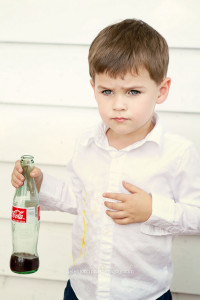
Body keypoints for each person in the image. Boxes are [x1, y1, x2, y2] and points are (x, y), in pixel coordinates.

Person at [11, 19, 200, 300]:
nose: (118, 104)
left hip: (143, 294)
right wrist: (38, 183)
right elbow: (81, 200)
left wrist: (152, 209)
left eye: (133, 92)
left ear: (161, 90)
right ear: (94, 88)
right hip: (82, 290)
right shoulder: (87, 143)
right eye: (107, 91)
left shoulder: (177, 154)